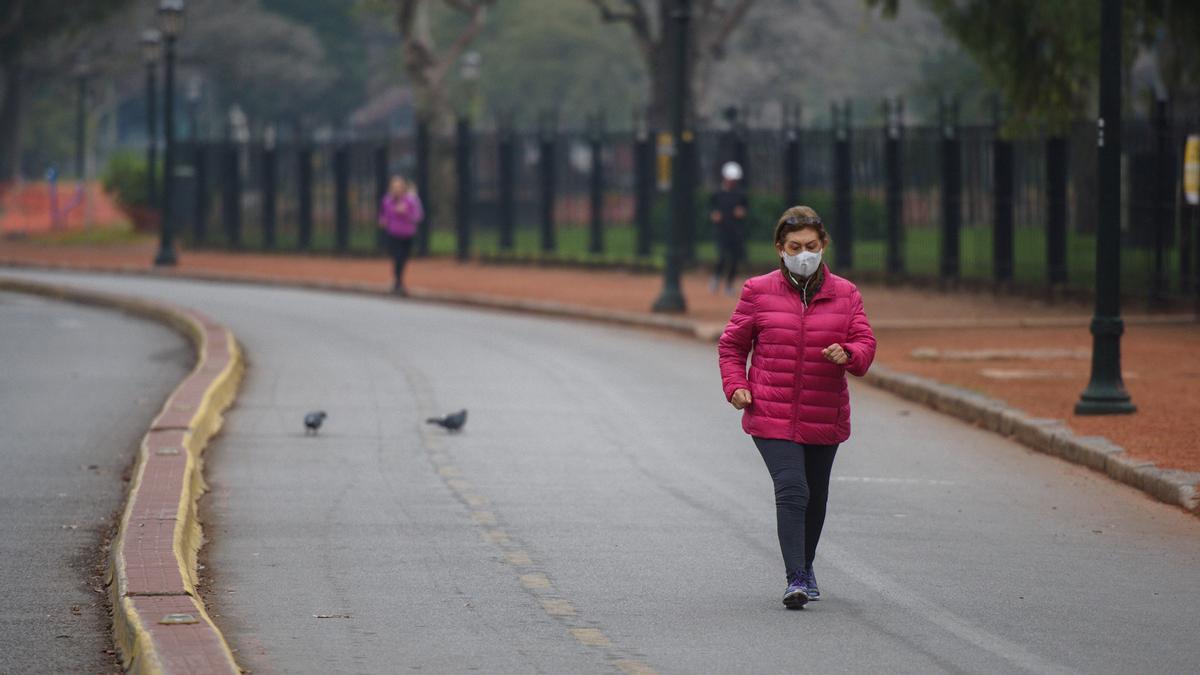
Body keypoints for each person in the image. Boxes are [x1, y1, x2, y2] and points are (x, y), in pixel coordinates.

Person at [717, 205, 876, 610]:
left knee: (816, 495)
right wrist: (736, 385)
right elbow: (732, 346)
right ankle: (796, 578)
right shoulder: (758, 290)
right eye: (794, 246)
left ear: (823, 245)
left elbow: (865, 344)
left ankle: (806, 563)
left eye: (810, 245)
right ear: (779, 248)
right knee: (793, 488)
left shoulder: (846, 293)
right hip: (770, 411)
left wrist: (850, 353)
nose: (803, 253)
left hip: (825, 412)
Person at [378, 175, 424, 295]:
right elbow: (384, 215)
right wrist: (383, 221)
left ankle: (398, 281)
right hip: (393, 234)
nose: (396, 189)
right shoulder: (387, 201)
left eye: (399, 187)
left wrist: (405, 213)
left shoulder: (411, 200)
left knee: (404, 258)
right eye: (394, 187)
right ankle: (398, 283)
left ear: (404, 188)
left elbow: (418, 216)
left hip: (407, 234)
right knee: (397, 257)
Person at [709, 161, 749, 295]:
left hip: (735, 231)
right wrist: (714, 215)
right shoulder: (717, 193)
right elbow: (710, 208)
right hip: (721, 230)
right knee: (722, 257)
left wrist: (742, 212)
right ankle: (716, 277)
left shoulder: (740, 194)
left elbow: (745, 209)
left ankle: (729, 284)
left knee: (735, 259)